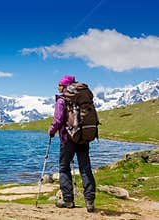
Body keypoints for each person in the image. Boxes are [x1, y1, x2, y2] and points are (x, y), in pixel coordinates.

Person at [48, 75, 96, 213]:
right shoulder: (83, 99)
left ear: (65, 86)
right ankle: (90, 202)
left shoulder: (62, 100)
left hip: (68, 138)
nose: (58, 87)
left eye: (59, 84)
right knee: (85, 168)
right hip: (83, 137)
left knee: (64, 168)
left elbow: (57, 120)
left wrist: (51, 131)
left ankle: (68, 200)